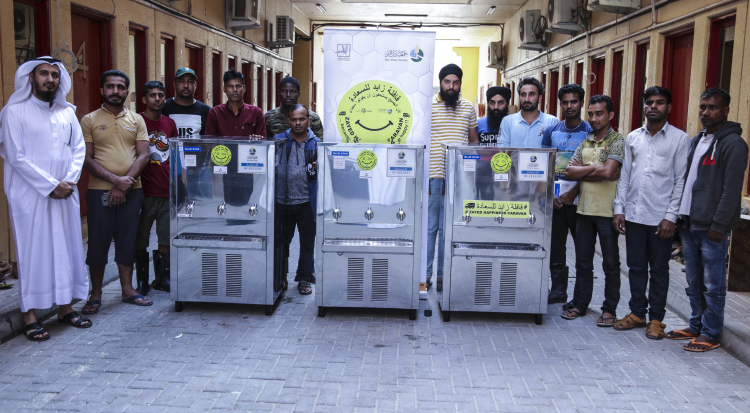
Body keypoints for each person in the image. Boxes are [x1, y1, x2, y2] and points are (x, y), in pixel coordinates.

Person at [0, 57, 92, 341]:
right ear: (31, 78)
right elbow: (15, 156)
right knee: (33, 252)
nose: (50, 79)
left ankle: (65, 308)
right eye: (44, 74)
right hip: (31, 196)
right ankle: (30, 315)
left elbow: (78, 150)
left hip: (65, 192)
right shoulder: (14, 112)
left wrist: (68, 181)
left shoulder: (67, 113)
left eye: (54, 75)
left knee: (66, 248)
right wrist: (51, 185)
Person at [666, 88, 748, 352]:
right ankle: (696, 325)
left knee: (713, 285)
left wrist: (719, 225)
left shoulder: (733, 144)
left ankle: (711, 332)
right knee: (694, 281)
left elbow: (731, 189)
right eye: (703, 107)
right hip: (689, 223)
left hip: (711, 227)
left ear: (725, 110)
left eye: (712, 107)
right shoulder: (697, 139)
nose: (706, 112)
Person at [612, 86, 690, 339]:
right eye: (649, 102)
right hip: (634, 215)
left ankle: (656, 319)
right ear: (644, 106)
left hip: (660, 219)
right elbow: (624, 177)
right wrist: (619, 209)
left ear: (668, 107)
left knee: (658, 269)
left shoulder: (680, 139)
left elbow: (681, 181)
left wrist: (671, 217)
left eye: (660, 102)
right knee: (636, 268)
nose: (654, 106)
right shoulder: (633, 138)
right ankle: (637, 313)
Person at [81, 70, 152, 314]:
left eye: (120, 87)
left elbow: (144, 154)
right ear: (102, 90)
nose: (115, 91)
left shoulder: (137, 120)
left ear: (127, 92)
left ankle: (128, 289)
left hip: (133, 191)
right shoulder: (89, 120)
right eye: (110, 87)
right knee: (98, 242)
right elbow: (86, 159)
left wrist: (126, 183)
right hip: (98, 191)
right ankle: (96, 294)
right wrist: (115, 181)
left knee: (127, 239)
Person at [561, 95, 624, 327]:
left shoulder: (618, 141)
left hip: (607, 213)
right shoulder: (586, 140)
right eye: (591, 114)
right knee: (583, 262)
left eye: (599, 114)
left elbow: (609, 173)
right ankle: (580, 303)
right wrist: (598, 167)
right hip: (584, 210)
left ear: (610, 115)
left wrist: (586, 170)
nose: (594, 118)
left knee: (610, 264)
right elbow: (568, 172)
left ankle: (609, 309)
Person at [427, 63, 479, 289]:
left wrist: (469, 171)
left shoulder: (468, 107)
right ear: (440, 82)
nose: (451, 86)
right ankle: (425, 277)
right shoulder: (427, 105)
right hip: (433, 177)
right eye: (447, 81)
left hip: (458, 179)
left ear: (460, 83)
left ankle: (443, 276)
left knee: (451, 229)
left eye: (455, 82)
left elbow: (474, 141)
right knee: (430, 229)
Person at [541, 84, 593, 304]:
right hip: (555, 202)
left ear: (581, 102)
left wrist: (574, 192)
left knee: (583, 250)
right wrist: (549, 195)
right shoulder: (552, 131)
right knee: (555, 247)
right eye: (565, 102)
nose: (569, 106)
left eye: (574, 101)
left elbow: (596, 168)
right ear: (560, 104)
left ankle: (581, 298)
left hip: (582, 201)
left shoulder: (591, 131)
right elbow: (543, 167)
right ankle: (558, 290)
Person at [135, 81, 178, 296]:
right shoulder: (136, 121)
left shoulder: (170, 123)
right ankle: (142, 282)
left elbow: (175, 156)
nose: (158, 99)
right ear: (144, 99)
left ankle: (162, 279)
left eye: (161, 95)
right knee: (140, 238)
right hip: (144, 191)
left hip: (166, 190)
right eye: (152, 95)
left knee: (165, 237)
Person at [273, 104, 319, 295]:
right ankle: (280, 278)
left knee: (307, 243)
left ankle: (303, 280)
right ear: (289, 120)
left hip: (307, 202)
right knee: (282, 242)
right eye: (294, 119)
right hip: (282, 201)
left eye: (302, 119)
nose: (298, 123)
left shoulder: (316, 143)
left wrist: (320, 166)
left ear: (308, 120)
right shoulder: (278, 141)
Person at [499, 77, 557, 148]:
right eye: (523, 95)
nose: (527, 99)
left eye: (531, 94)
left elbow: (554, 153)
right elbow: (502, 151)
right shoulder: (508, 121)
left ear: (539, 98)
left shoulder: (551, 122)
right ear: (519, 97)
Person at [475, 86, 511, 200]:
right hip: (483, 171)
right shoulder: (478, 124)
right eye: (492, 103)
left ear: (507, 103)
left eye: (501, 103)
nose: (496, 107)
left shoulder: (513, 123)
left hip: (506, 169)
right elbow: (474, 148)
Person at [162, 67, 211, 137]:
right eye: (181, 81)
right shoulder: (164, 107)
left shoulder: (206, 111)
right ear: (174, 84)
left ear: (195, 85)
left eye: (190, 81)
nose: (186, 85)